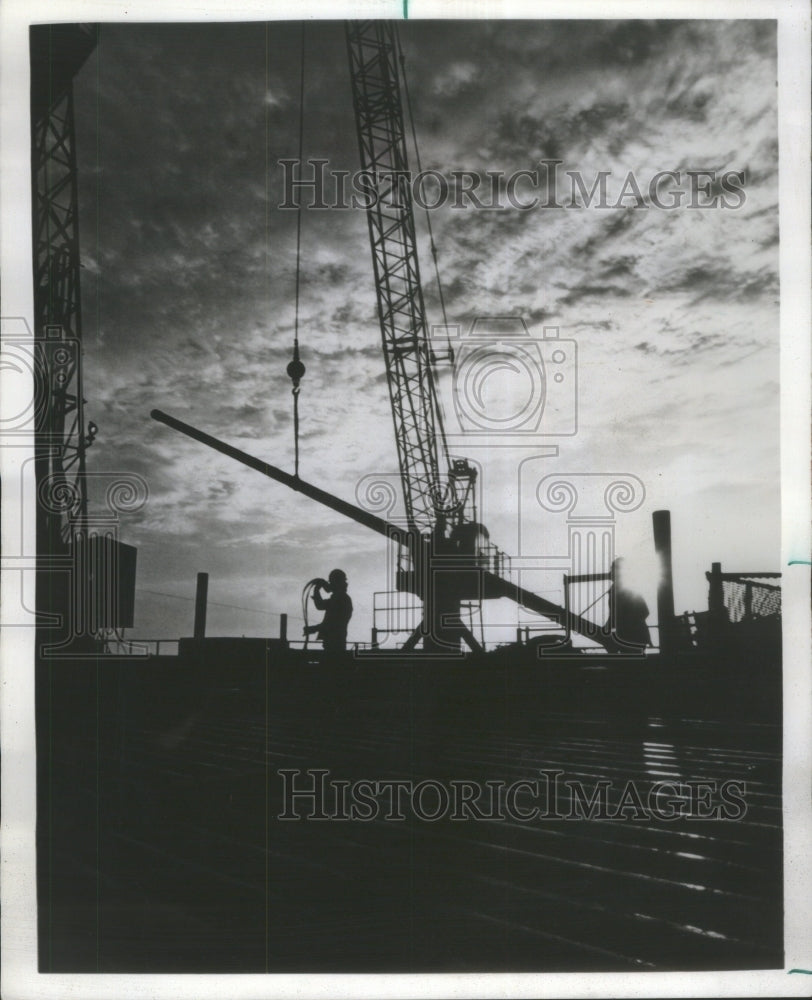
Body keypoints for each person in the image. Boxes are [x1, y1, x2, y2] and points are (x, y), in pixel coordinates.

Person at [605, 557, 651, 652]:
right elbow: (645, 612)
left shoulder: (622, 590)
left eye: (613, 569)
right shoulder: (624, 589)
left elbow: (644, 612)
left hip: (630, 638)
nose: (611, 573)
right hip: (633, 637)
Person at [304, 569, 353, 653]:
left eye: (331, 582)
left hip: (335, 643)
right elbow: (320, 606)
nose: (330, 584)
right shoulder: (339, 598)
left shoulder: (341, 599)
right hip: (334, 641)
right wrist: (317, 590)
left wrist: (314, 628)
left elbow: (332, 624)